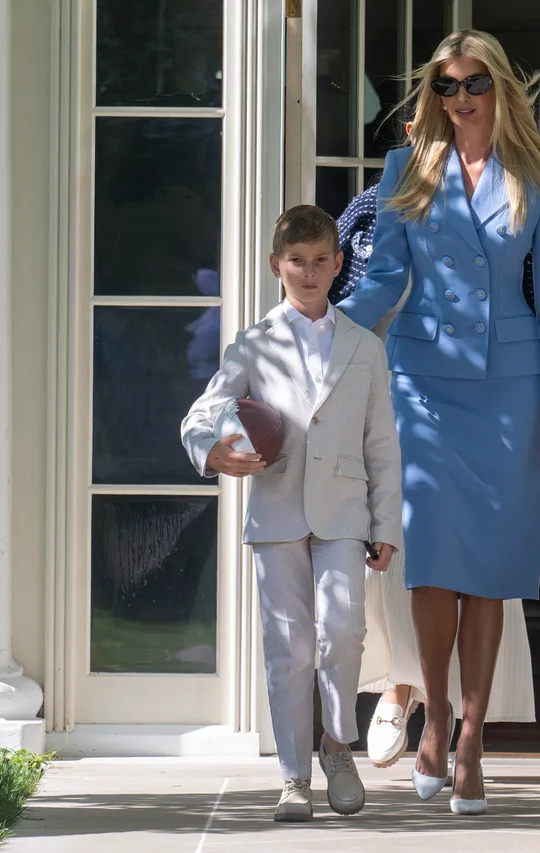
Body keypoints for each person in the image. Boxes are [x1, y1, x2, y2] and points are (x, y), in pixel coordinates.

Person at [338, 29, 540, 816]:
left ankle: (473, 735)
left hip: (509, 387)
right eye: (447, 86)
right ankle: (434, 715)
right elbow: (386, 278)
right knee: (433, 564)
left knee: (497, 570)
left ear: (501, 87)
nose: (462, 97)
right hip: (422, 385)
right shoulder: (410, 166)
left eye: (475, 83)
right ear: (433, 95)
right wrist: (323, 331)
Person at [180, 205, 403, 820]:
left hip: (344, 511)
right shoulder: (253, 343)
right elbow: (202, 414)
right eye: (296, 262)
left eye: (320, 261)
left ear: (338, 264)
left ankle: (338, 743)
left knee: (344, 631)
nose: (309, 272)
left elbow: (382, 442)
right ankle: (292, 776)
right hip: (277, 509)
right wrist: (212, 451)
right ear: (276, 266)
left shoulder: (364, 346)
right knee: (288, 648)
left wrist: (385, 524)